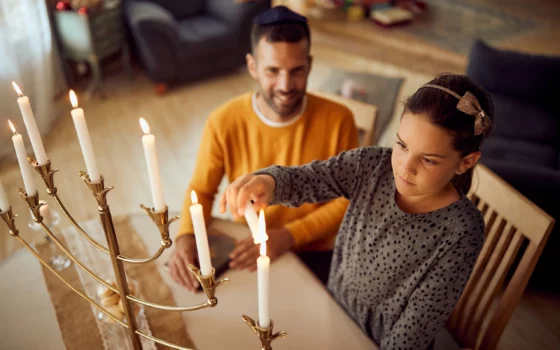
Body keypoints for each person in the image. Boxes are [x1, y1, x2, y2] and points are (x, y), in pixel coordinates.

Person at [220, 74, 493, 349]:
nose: (404, 167)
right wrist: (270, 181)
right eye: (402, 145)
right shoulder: (371, 165)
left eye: (428, 160)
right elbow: (311, 179)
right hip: (333, 310)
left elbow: (417, 325)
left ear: (465, 161)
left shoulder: (462, 230)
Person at [167, 6, 359, 292]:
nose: (285, 85)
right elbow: (201, 189)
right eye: (272, 70)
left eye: (296, 70)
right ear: (252, 66)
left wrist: (288, 236)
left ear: (309, 64)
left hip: (316, 251)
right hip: (247, 247)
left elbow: (347, 199)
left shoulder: (339, 118)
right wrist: (185, 235)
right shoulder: (223, 120)